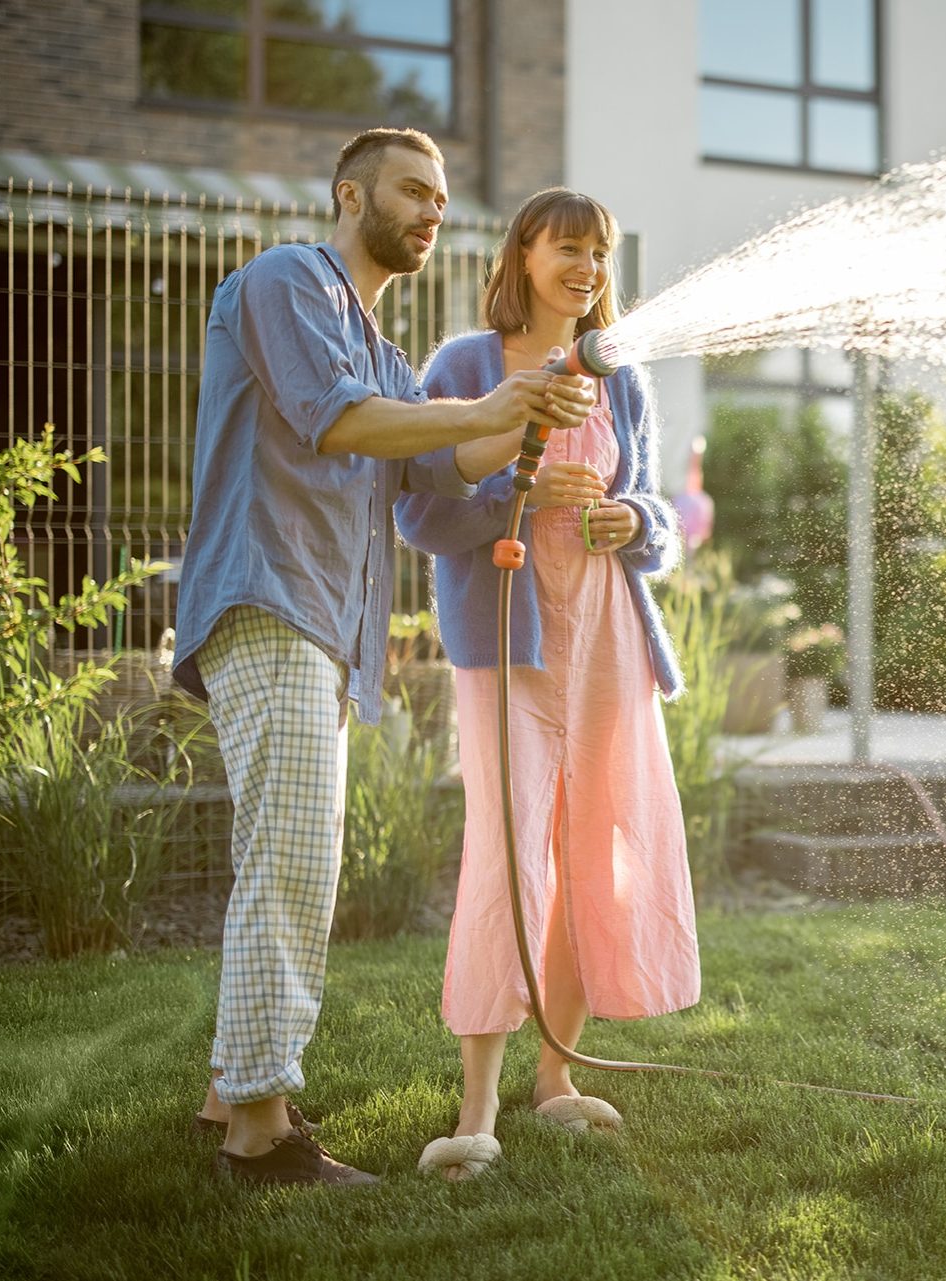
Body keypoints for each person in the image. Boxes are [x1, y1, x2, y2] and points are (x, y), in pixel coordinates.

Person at [171, 129, 596, 1187]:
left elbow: (442, 469)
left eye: (443, 197)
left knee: (284, 852)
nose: (432, 209)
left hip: (323, 623)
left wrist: (524, 410)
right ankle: (262, 1136)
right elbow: (341, 423)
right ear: (349, 193)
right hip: (271, 598)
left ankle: (230, 1094)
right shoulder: (288, 284)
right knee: (294, 864)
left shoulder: (379, 347)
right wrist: (491, 405)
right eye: (413, 190)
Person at [395, 187, 699, 1180]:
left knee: (590, 850)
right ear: (525, 253)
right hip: (509, 648)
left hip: (606, 639)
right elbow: (421, 515)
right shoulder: (466, 365)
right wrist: (510, 495)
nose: (587, 269)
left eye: (599, 254)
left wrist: (631, 523)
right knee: (507, 855)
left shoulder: (621, 376)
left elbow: (652, 515)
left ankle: (554, 1079)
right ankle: (475, 1105)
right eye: (569, 248)